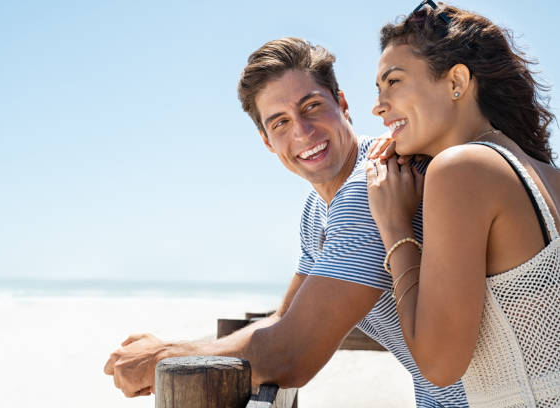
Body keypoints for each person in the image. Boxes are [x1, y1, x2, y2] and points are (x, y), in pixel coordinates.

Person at [104, 37, 468, 407]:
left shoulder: (372, 186)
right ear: (266, 141)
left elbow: (292, 353)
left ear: (341, 104)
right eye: (280, 122)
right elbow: (283, 317)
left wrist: (164, 358)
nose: (302, 132)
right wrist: (180, 348)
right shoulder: (317, 209)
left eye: (311, 106)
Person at [366, 2, 560, 407]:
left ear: (456, 80)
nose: (378, 106)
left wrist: (395, 228)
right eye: (378, 90)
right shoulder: (546, 175)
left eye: (394, 82)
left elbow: (439, 366)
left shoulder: (462, 169)